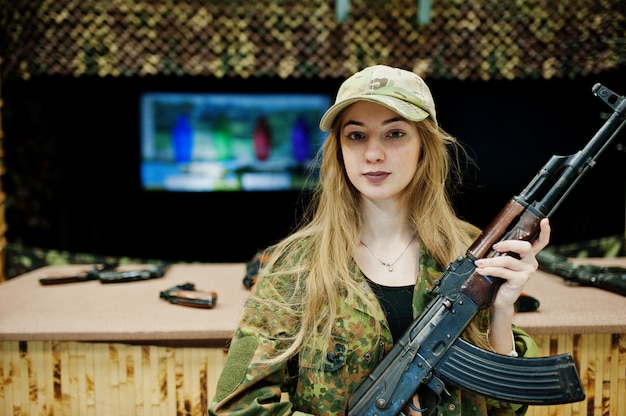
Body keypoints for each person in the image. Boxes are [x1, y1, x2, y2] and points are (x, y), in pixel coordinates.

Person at [208, 64, 551, 416]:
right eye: (356, 136)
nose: (373, 154)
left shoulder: (471, 253)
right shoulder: (296, 266)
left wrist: (501, 311)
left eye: (395, 134)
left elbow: (504, 409)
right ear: (338, 150)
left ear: (424, 146)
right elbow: (234, 407)